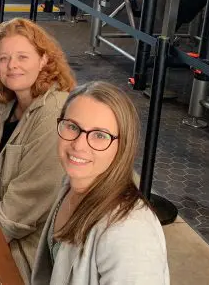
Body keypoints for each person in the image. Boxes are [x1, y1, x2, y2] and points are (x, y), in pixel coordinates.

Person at [31, 82, 169, 284]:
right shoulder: (72, 184)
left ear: (123, 145)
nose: (79, 144)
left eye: (99, 135)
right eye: (72, 126)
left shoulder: (130, 232)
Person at [0, 18, 77, 283]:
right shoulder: (5, 103)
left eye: (23, 56)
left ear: (44, 59)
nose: (12, 66)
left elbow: (27, 199)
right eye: (3, 58)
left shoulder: (55, 113)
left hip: (28, 253)